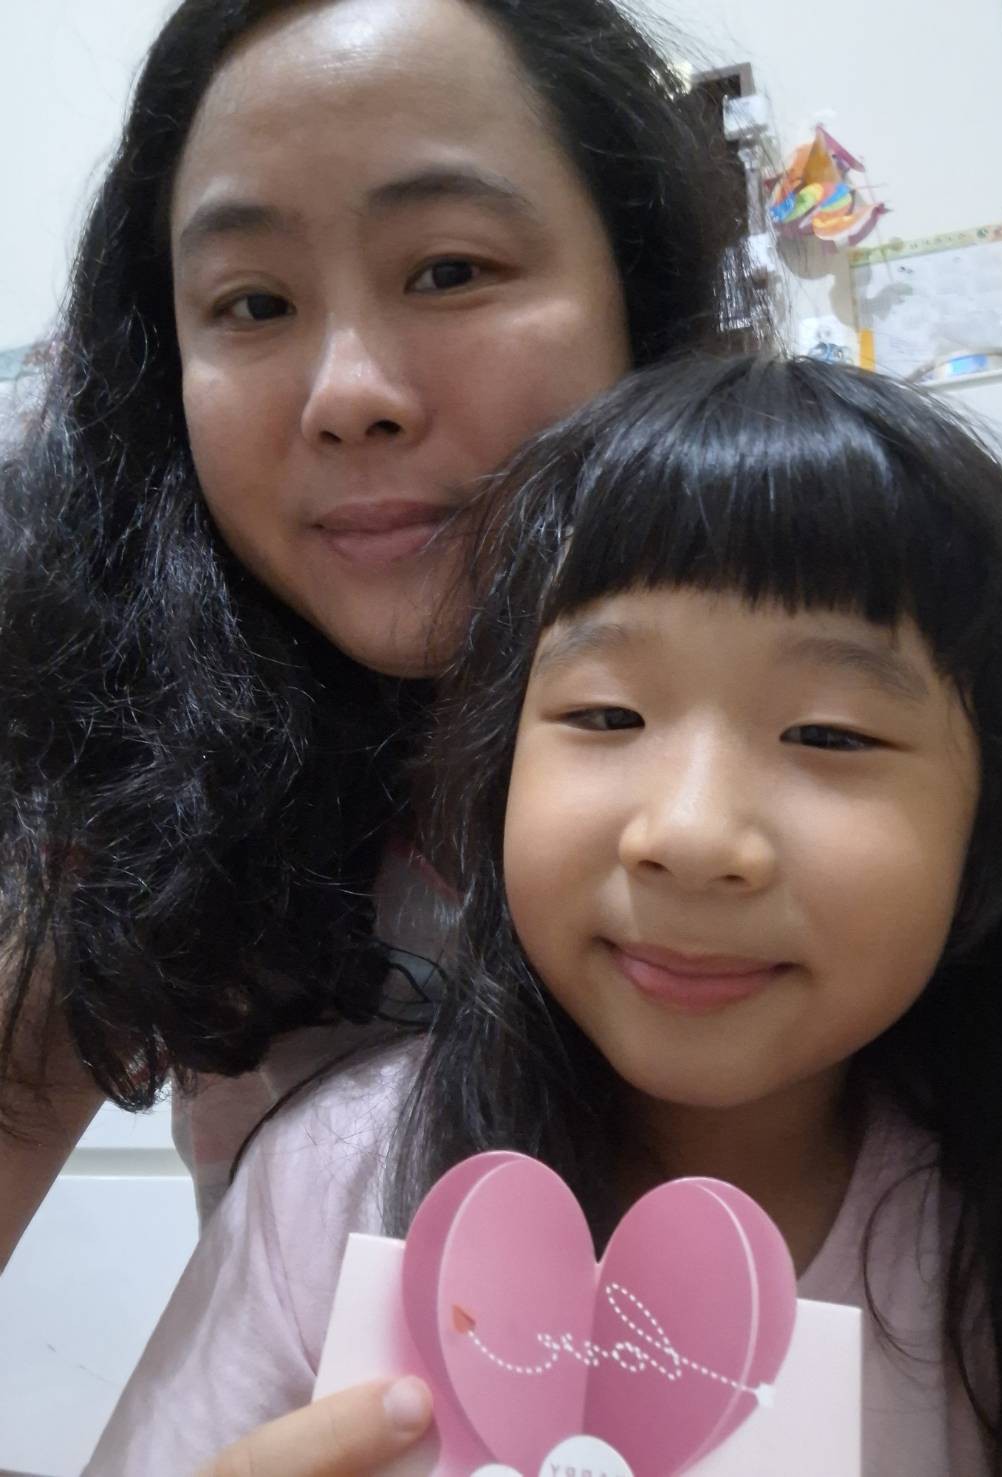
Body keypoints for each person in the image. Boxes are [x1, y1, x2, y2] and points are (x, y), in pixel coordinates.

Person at [85, 352, 1002, 1476]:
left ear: (992, 827)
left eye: (830, 734)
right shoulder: (335, 1179)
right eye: (607, 715)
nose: (689, 833)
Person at [0, 0, 755, 1258]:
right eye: (252, 303)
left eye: (449, 270)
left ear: (641, 292)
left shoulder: (870, 707)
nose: (349, 395)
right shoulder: (143, 782)